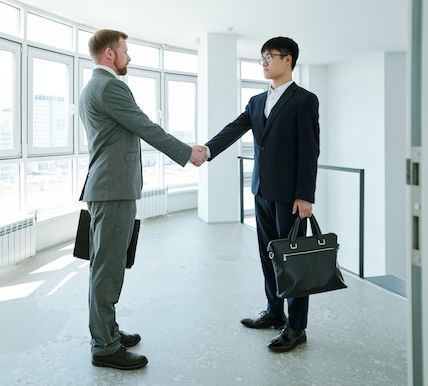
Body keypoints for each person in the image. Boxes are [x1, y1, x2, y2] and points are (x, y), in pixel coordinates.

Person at [79, 29, 208, 370]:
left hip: (108, 188)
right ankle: (105, 347)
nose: (129, 57)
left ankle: (108, 330)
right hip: (113, 190)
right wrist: (186, 152)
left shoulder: (93, 86)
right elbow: (144, 126)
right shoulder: (110, 86)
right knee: (107, 269)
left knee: (106, 264)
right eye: (125, 51)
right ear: (110, 54)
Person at [204, 36, 319, 352]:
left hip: (291, 197)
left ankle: (296, 327)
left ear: (288, 60)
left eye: (270, 56)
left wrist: (305, 195)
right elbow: (234, 129)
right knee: (269, 256)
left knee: (293, 262)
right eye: (262, 57)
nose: (265, 61)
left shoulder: (303, 100)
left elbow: (310, 151)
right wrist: (207, 150)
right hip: (261, 192)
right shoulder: (256, 101)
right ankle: (273, 311)